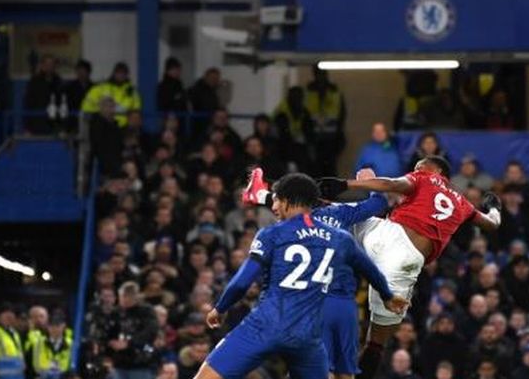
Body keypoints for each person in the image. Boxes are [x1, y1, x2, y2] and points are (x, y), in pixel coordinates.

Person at [193, 173, 409, 379]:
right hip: (307, 337)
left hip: (266, 324)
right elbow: (370, 270)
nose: (274, 207)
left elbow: (242, 283)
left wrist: (220, 308)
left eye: (276, 201)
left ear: (287, 200)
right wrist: (388, 296)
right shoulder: (339, 237)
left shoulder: (272, 233)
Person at [317, 155, 503, 379]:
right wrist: (494, 207)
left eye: (418, 166)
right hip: (406, 263)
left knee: (338, 213)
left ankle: (273, 197)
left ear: (435, 171)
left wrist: (346, 184)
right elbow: (492, 224)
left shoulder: (426, 178)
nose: (415, 169)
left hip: (388, 236)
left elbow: (391, 184)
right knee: (376, 343)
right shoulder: (463, 204)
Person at [242, 167, 390, 379]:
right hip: (340, 303)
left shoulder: (287, 223)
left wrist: (260, 195)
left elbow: (283, 206)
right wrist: (370, 182)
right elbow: (379, 203)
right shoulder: (339, 213)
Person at [107, 281, 159, 379]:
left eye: (127, 296)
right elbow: (110, 331)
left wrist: (129, 343)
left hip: (141, 363)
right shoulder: (116, 312)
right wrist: (111, 342)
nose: (123, 299)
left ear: (135, 297)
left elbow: (151, 331)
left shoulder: (146, 311)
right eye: (122, 296)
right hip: (119, 363)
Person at [305, 68, 346, 176]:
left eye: (323, 74)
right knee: (315, 170)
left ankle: (330, 191)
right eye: (318, 74)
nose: (320, 78)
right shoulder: (308, 91)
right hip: (314, 138)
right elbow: (305, 116)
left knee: (330, 169)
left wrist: (339, 136)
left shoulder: (334, 91)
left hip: (331, 138)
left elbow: (342, 114)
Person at [81, 62, 142, 127]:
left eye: (123, 73)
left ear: (127, 75)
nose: (121, 75)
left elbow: (136, 110)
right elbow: (87, 105)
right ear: (114, 73)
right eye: (118, 72)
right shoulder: (102, 87)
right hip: (104, 124)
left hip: (125, 127)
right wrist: (100, 113)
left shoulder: (132, 91)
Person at [23, 54, 62, 134]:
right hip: (37, 123)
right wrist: (28, 127)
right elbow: (28, 103)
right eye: (47, 64)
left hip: (54, 124)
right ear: (42, 65)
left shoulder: (58, 81)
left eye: (51, 64)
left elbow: (61, 103)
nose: (49, 67)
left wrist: (62, 126)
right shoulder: (34, 81)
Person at [30, 312, 72, 379]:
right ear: (47, 327)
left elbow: (71, 367)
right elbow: (32, 367)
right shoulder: (39, 343)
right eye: (51, 325)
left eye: (57, 325)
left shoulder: (70, 344)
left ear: (63, 326)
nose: (54, 329)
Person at [63, 59, 93, 130]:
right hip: (73, 122)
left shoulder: (94, 88)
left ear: (88, 72)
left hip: (90, 121)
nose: (81, 74)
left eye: (84, 71)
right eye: (79, 71)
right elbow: (67, 105)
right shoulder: (69, 87)